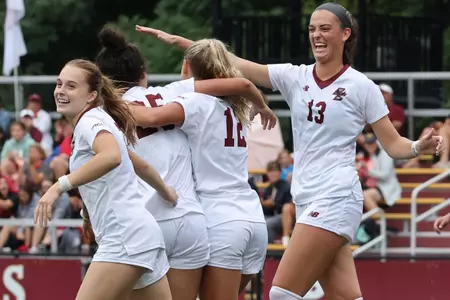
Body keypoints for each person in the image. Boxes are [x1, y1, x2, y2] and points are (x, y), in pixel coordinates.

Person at [136, 3, 445, 299]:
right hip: (307, 196)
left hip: (336, 193)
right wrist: (184, 44)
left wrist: (419, 146)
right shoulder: (295, 76)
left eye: (325, 28)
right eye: (312, 29)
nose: (317, 35)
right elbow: (236, 64)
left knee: (282, 292)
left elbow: (394, 145)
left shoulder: (361, 86)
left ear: (345, 34)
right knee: (345, 296)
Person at [95, 25, 275, 300]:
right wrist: (261, 104)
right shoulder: (183, 94)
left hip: (186, 219)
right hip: (227, 218)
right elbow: (243, 83)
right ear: (143, 73)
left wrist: (111, 105)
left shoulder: (188, 101)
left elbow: (150, 121)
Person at [33, 59, 178, 300]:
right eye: (59, 84)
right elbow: (137, 163)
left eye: (71, 86)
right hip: (141, 234)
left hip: (125, 238)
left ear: (91, 96)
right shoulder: (98, 119)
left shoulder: (90, 122)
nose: (61, 91)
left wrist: (60, 186)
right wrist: (166, 191)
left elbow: (111, 157)